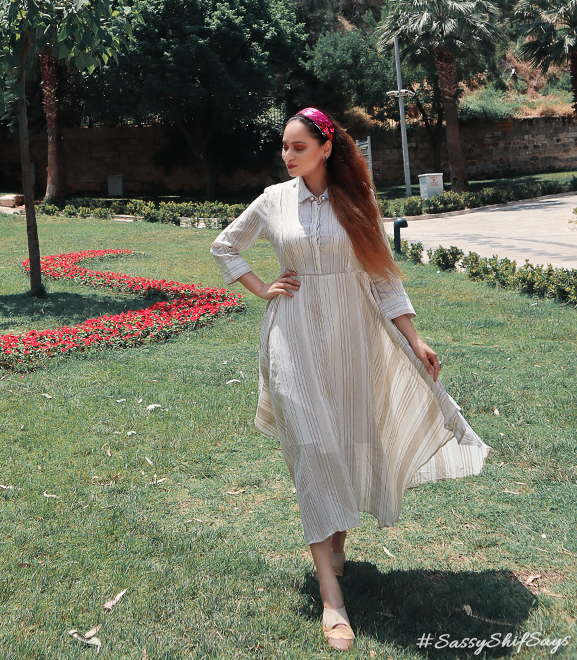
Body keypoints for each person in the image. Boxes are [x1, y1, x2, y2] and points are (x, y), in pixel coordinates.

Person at [209, 107, 491, 652]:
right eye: (284, 147)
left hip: (352, 336)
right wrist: (261, 286)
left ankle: (334, 538)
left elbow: (382, 276)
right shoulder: (273, 199)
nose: (287, 156)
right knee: (312, 447)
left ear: (325, 148)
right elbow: (225, 246)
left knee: (343, 439)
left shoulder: (357, 201)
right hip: (292, 337)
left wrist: (415, 339)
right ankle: (331, 595)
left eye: (297, 147)